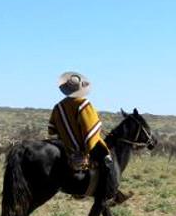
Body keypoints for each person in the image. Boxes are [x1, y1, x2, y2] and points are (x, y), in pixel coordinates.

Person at [48, 71, 128, 205]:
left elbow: (52, 130)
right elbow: (90, 128)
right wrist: (90, 144)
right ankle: (108, 194)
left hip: (66, 146)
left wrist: (66, 140)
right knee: (107, 161)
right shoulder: (84, 104)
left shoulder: (58, 107)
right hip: (84, 146)